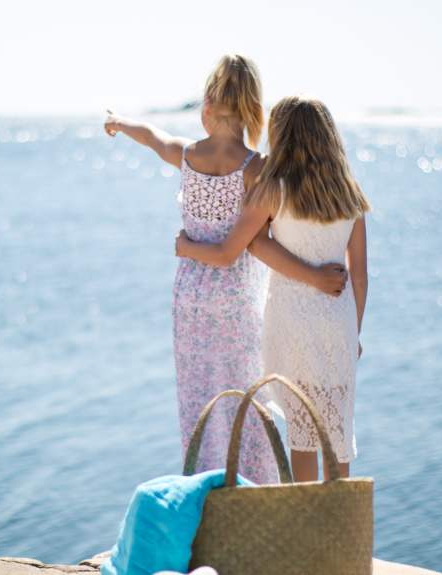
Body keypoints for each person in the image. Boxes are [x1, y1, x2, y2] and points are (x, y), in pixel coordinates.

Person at [104, 56, 348, 484]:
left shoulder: (186, 155)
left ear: (208, 105)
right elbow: (249, 246)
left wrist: (121, 122)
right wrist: (316, 271)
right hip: (237, 298)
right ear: (254, 107)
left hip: (192, 296)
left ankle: (207, 491)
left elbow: (152, 137)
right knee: (248, 400)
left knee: (201, 399)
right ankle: (255, 492)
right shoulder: (257, 168)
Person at [176, 95, 369, 481]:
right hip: (338, 321)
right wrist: (355, 331)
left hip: (292, 321)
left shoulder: (273, 189)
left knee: (302, 434)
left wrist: (187, 247)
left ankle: (304, 525)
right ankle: (344, 524)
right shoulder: (350, 194)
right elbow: (359, 274)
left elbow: (246, 243)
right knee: (336, 428)